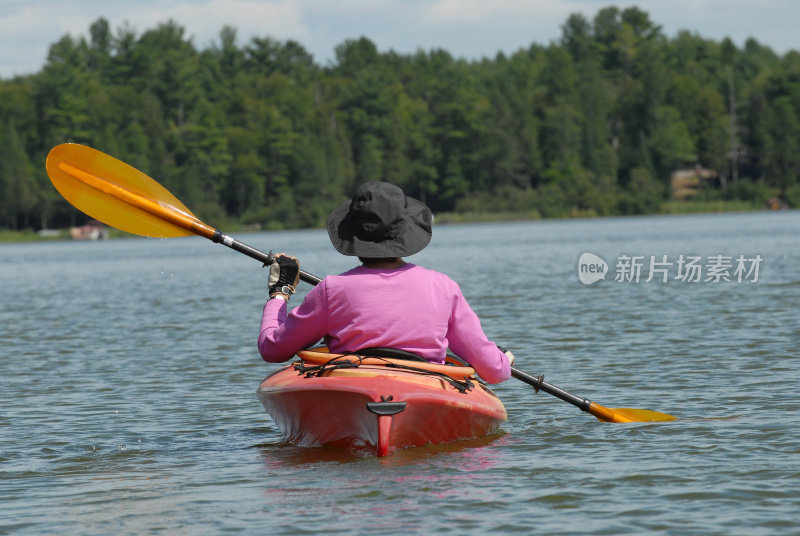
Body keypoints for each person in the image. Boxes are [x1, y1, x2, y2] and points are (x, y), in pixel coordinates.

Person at [257, 181, 513, 384]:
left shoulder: (331, 290)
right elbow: (494, 372)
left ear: (354, 235)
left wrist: (280, 293)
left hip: (353, 385)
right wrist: (502, 360)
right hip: (425, 386)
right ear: (405, 232)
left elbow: (273, 349)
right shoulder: (444, 287)